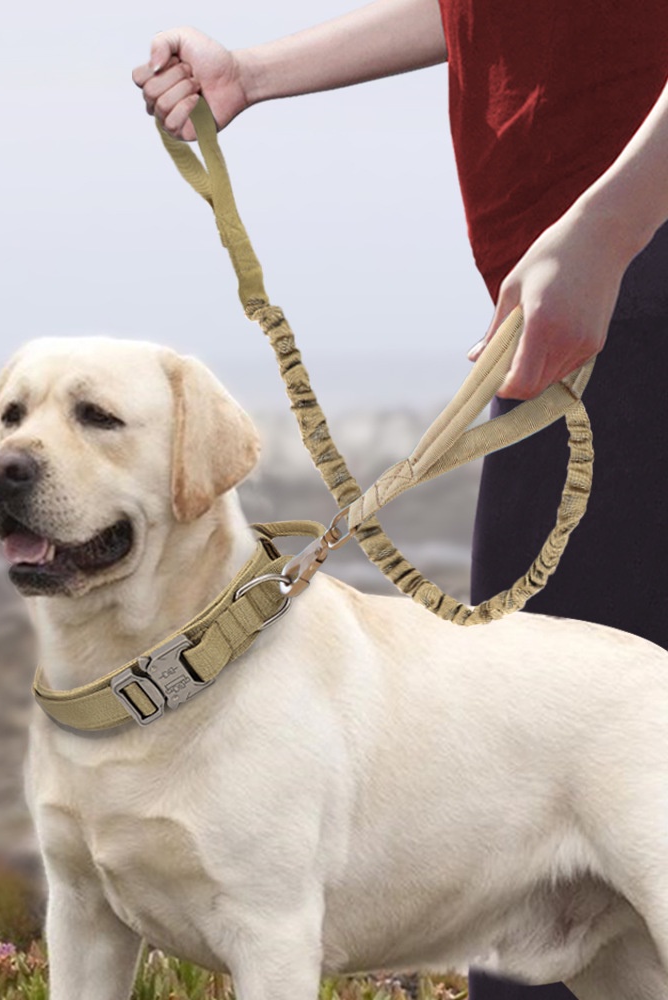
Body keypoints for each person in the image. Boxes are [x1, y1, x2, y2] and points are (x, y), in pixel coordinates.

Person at [133, 3, 668, 997]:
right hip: (597, 292)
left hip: (622, 286)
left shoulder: (613, 251)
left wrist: (608, 230)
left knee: (532, 786)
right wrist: (252, 70)